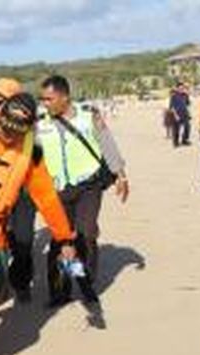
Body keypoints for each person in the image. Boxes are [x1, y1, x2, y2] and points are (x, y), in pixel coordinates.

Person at [0, 80, 76, 315]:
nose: (7, 136)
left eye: (15, 133)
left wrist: (64, 238)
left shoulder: (31, 154)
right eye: (4, 129)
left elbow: (46, 198)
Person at [36, 75, 130, 307]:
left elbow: (107, 142)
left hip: (88, 185)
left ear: (65, 97)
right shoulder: (39, 123)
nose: (44, 103)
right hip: (56, 190)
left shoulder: (89, 116)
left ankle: (86, 280)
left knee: (86, 232)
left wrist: (120, 174)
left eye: (49, 99)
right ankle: (60, 290)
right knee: (60, 239)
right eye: (42, 99)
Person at [169, 82, 191, 147]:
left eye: (182, 88)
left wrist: (188, 95)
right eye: (180, 88)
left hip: (185, 114)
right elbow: (171, 107)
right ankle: (176, 142)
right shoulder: (174, 96)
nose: (181, 89)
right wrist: (176, 115)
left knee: (187, 127)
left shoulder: (185, 95)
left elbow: (188, 104)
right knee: (176, 129)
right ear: (177, 88)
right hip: (177, 115)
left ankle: (184, 140)